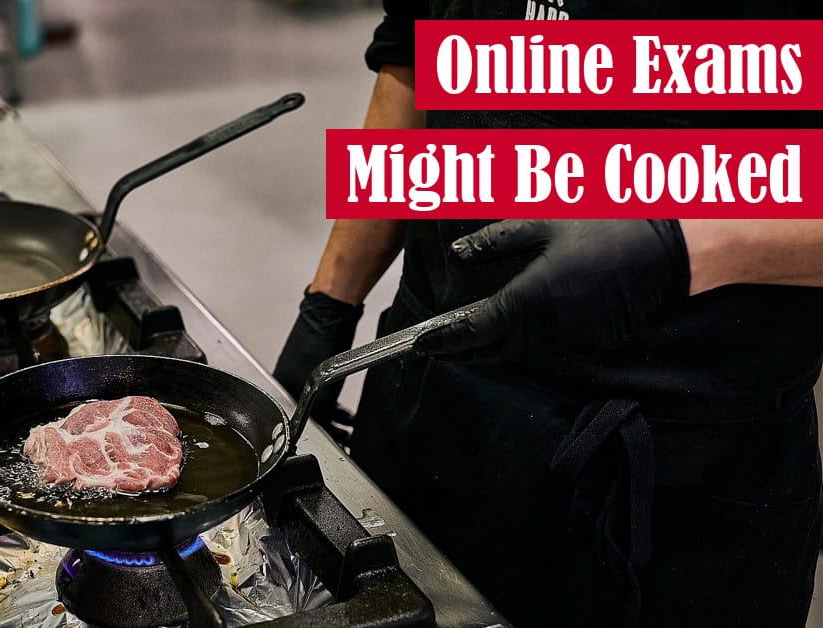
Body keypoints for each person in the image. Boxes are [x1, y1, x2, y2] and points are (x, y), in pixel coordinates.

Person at [273, 2, 823, 626]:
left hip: (671, 481)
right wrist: (330, 302)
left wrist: (682, 250)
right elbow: (416, 53)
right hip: (429, 401)